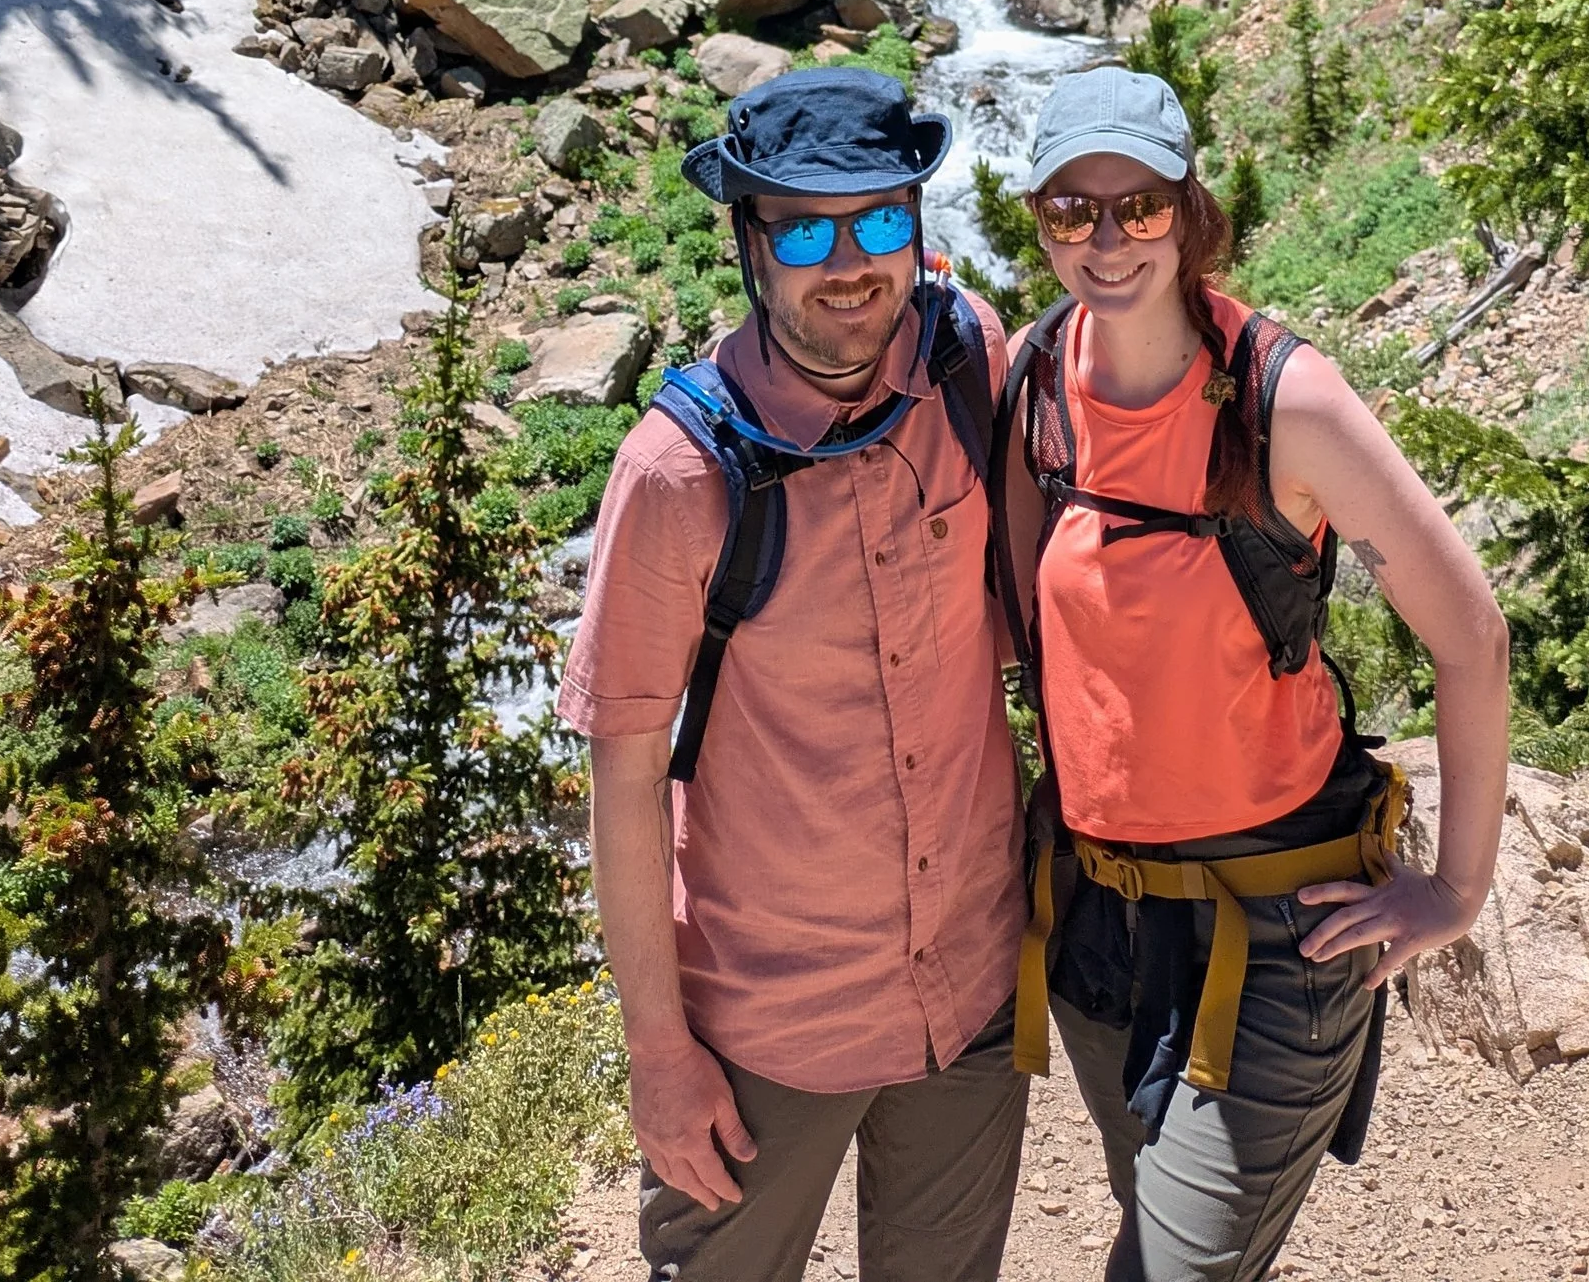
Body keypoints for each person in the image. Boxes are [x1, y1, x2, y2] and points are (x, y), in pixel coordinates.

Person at [991, 62, 1511, 1282]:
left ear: (1189, 207)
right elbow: (1023, 626)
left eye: (1140, 205)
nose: (1107, 237)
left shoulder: (1290, 403)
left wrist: (1458, 889)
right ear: (1042, 221)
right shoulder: (1033, 383)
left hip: (1280, 928)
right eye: (1074, 208)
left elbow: (1472, 634)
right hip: (1099, 923)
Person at [556, 62, 1028, 1282]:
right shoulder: (679, 473)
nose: (850, 261)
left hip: (967, 985)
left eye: (881, 219)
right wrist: (657, 1048)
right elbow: (621, 771)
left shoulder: (964, 359)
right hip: (765, 1024)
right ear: (750, 239)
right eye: (807, 227)